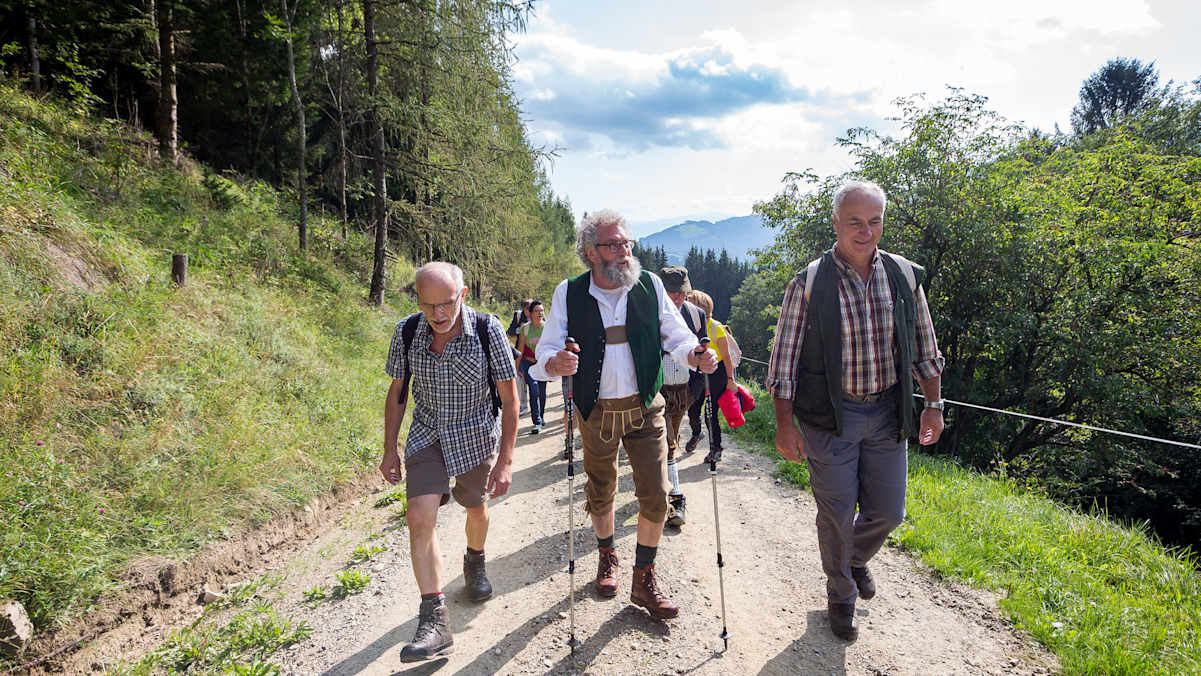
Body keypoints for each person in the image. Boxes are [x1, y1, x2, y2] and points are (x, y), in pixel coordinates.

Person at [765, 180, 945, 641]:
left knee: (889, 512)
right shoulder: (808, 282)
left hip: (888, 411)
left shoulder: (903, 276)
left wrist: (933, 405)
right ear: (836, 223)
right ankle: (841, 594)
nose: (866, 231)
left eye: (874, 221)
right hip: (830, 416)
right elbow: (783, 361)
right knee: (837, 512)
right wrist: (785, 426)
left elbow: (925, 345)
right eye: (855, 222)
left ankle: (855, 560)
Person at [531, 210, 718, 620]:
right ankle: (606, 555)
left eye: (627, 243)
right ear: (590, 252)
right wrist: (554, 363)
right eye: (614, 244)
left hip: (645, 406)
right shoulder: (569, 292)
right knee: (601, 490)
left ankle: (644, 576)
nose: (624, 251)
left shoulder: (649, 285)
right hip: (595, 410)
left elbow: (678, 337)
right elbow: (544, 353)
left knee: (656, 493)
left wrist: (696, 355)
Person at [380, 262, 519, 661]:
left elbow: (510, 399)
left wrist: (506, 459)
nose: (438, 314)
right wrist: (390, 447)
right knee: (419, 518)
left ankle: (475, 561)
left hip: (475, 435)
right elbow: (398, 393)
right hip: (428, 434)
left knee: (475, 507)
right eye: (429, 306)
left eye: (446, 304)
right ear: (418, 301)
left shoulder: (488, 330)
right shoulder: (408, 331)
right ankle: (435, 619)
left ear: (462, 296)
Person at [658, 266, 707, 527]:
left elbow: (702, 353)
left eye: (682, 292)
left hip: (684, 391)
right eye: (672, 293)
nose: (678, 298)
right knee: (668, 443)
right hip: (658, 391)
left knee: (671, 439)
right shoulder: (651, 315)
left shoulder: (696, 315)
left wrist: (694, 393)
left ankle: (659, 488)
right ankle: (675, 499)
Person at [686, 289, 734, 463]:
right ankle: (697, 433)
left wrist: (731, 381)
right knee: (692, 408)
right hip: (698, 371)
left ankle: (716, 449)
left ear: (700, 307)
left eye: (690, 303)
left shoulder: (716, 328)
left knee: (710, 412)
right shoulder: (690, 326)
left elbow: (727, 357)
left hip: (716, 373)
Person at [515, 300, 548, 434]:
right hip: (528, 363)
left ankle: (542, 416)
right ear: (530, 313)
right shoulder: (525, 328)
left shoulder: (547, 328)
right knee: (534, 390)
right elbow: (520, 349)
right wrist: (516, 368)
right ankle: (537, 422)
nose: (540, 313)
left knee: (542, 391)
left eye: (541, 311)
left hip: (541, 363)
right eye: (537, 311)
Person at [506, 299, 533, 415]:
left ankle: (535, 406)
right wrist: (520, 335)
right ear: (524, 310)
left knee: (533, 380)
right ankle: (523, 405)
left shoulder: (539, 315)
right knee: (520, 378)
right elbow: (509, 333)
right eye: (528, 309)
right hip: (520, 352)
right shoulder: (518, 316)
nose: (531, 311)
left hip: (534, 353)